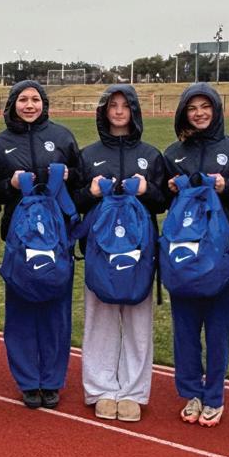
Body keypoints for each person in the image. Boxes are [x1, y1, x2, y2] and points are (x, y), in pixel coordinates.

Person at [162, 83, 229, 427]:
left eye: (205, 106)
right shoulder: (174, 153)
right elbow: (161, 200)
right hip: (184, 252)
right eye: (192, 108)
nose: (199, 113)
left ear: (216, 110)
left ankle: (214, 394)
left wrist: (225, 187)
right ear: (184, 113)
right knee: (185, 329)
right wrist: (170, 189)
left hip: (221, 253)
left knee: (217, 328)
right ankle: (191, 392)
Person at [0, 80, 84, 409]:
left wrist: (69, 176)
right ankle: (28, 380)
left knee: (56, 313)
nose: (29, 105)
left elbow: (81, 180)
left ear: (44, 103)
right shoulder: (0, 144)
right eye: (23, 99)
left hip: (57, 239)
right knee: (21, 312)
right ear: (12, 104)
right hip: (20, 240)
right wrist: (10, 184)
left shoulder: (62, 137)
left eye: (35, 99)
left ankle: (52, 379)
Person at [77, 85, 170, 422]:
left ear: (134, 110)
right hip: (100, 251)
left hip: (139, 252)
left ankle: (132, 391)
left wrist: (147, 190)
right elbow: (74, 201)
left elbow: (163, 202)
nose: (118, 111)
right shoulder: (88, 155)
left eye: (124, 105)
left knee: (137, 322)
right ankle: (101, 388)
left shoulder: (151, 155)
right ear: (104, 111)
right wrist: (90, 193)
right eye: (112, 105)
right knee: (99, 320)